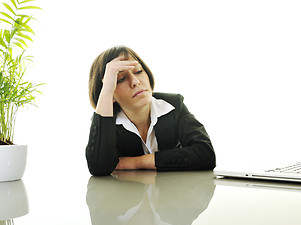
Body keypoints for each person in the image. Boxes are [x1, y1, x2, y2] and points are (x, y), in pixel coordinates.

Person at [86, 45, 215, 176]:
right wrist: (106, 91)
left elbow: (205, 154)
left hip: (173, 192)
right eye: (121, 79)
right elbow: (99, 168)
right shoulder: (106, 121)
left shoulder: (173, 105)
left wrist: (136, 163)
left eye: (138, 71)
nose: (135, 81)